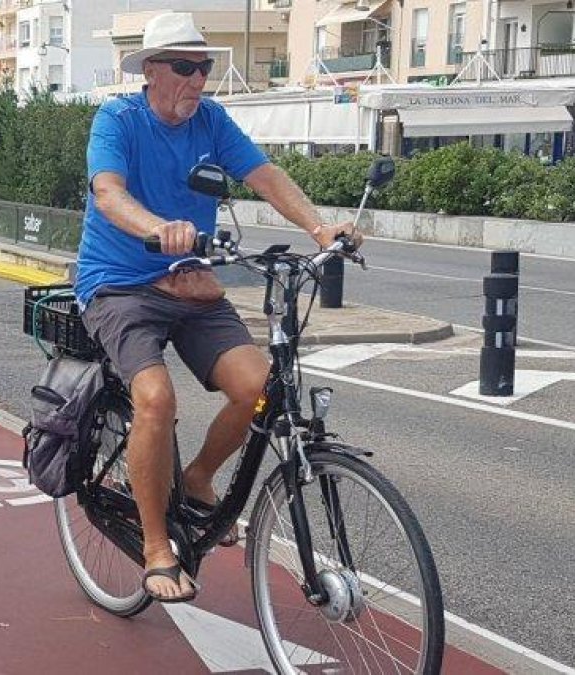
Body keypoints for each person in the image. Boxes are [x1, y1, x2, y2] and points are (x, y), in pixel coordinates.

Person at [74, 12, 362, 604]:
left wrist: (318, 228)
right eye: (184, 67)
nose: (197, 80)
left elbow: (264, 174)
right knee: (155, 398)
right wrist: (160, 230)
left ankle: (198, 477)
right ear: (150, 71)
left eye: (202, 67)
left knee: (259, 386)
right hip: (120, 285)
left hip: (192, 285)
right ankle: (157, 547)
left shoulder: (212, 120)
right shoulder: (118, 120)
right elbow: (109, 193)